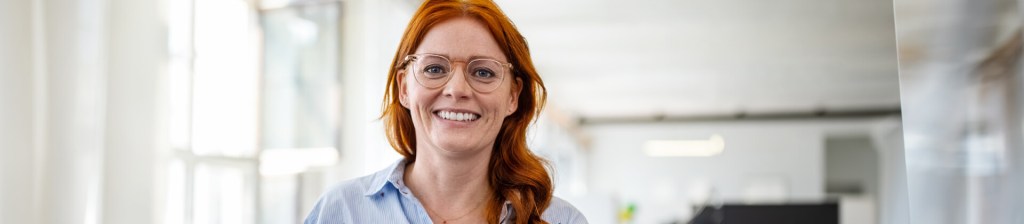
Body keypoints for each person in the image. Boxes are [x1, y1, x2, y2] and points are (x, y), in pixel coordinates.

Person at [303, 0, 587, 223]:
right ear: (404, 88)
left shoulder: (561, 221)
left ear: (513, 96)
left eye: (483, 72)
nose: (457, 89)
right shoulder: (341, 212)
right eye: (434, 69)